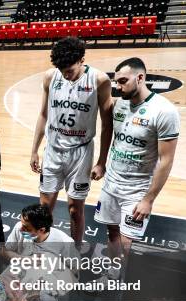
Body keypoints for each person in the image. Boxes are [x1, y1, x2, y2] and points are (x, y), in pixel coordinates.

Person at [29, 37, 113, 245]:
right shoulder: (51, 77)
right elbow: (42, 114)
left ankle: (75, 250)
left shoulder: (99, 80)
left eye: (70, 70)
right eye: (62, 70)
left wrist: (102, 161)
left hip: (81, 152)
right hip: (53, 150)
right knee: (45, 207)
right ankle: (44, 247)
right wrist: (34, 150)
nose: (66, 75)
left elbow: (107, 123)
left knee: (75, 209)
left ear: (82, 60)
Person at [94, 57, 179, 257]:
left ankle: (123, 283)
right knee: (112, 231)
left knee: (125, 243)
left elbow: (166, 161)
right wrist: (101, 163)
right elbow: (110, 134)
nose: (118, 87)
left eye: (123, 81)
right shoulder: (119, 105)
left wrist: (148, 200)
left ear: (140, 78)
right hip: (112, 183)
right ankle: (112, 274)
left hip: (137, 190)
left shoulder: (164, 111)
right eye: (116, 82)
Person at [0, 203, 74, 301]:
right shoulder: (19, 227)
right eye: (21, 224)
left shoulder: (65, 243)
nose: (21, 229)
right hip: (21, 272)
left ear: (41, 230)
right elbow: (5, 251)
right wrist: (26, 260)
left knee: (47, 296)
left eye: (26, 228)